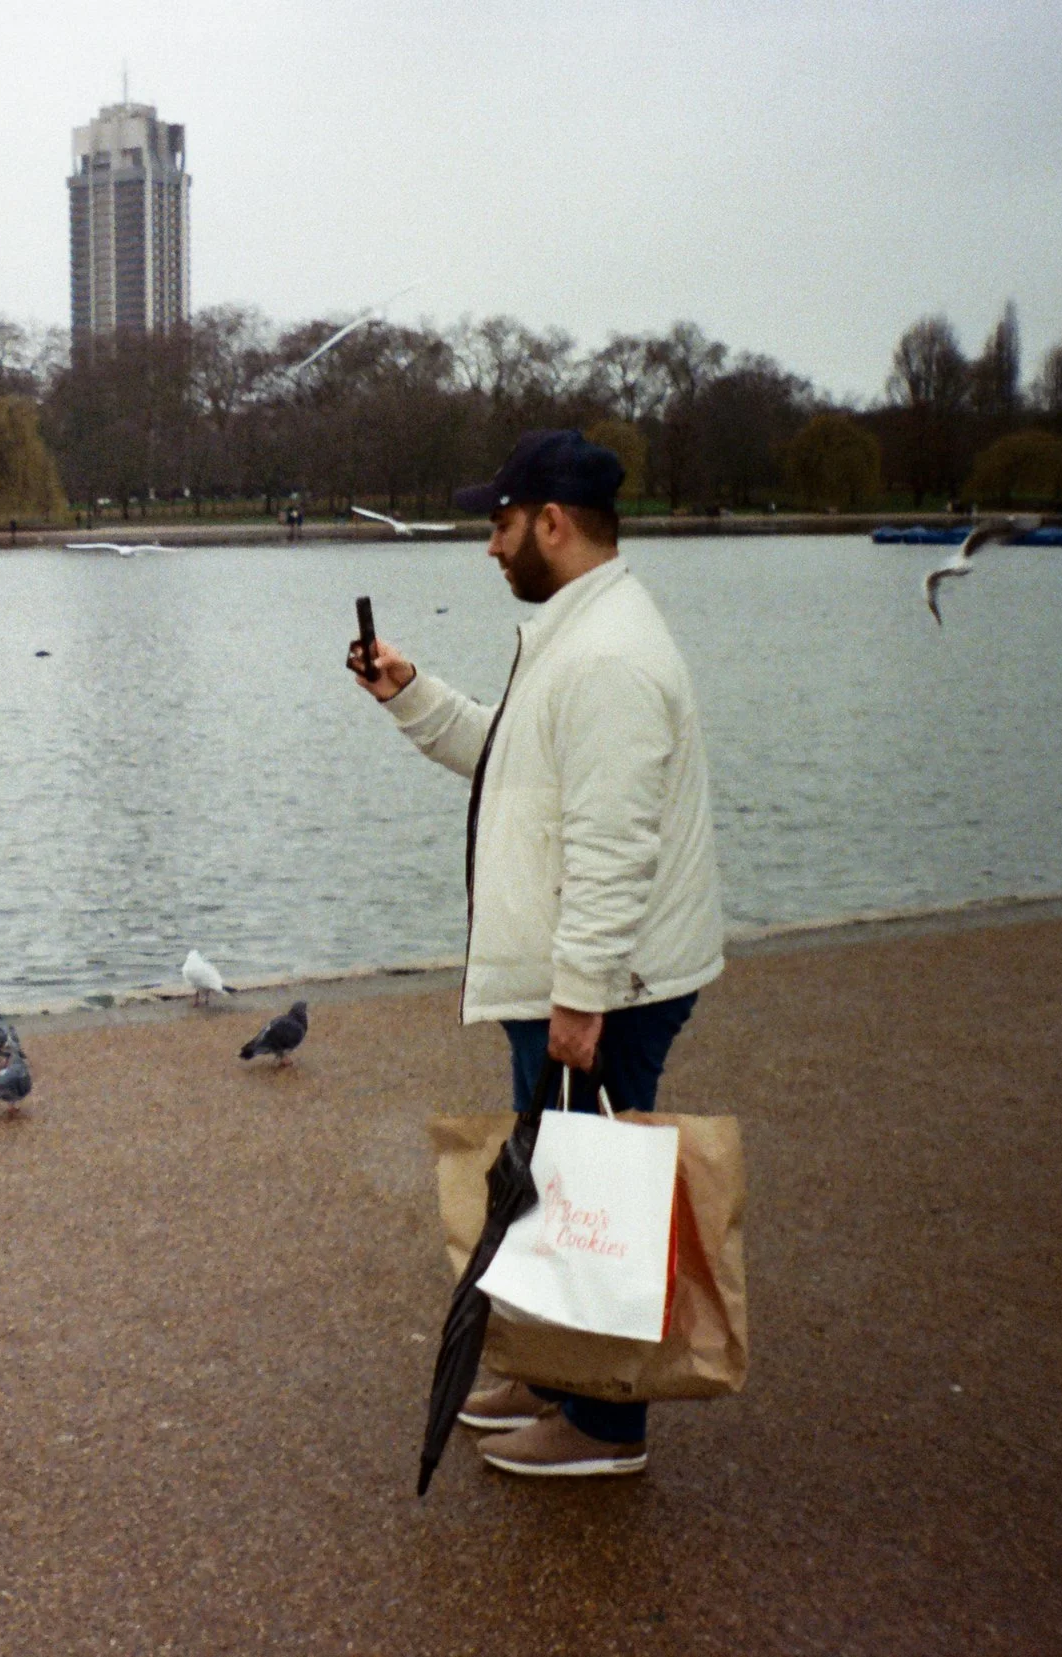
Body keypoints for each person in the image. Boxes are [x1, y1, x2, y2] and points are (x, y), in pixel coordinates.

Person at [350, 428, 724, 1478]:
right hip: (592, 977)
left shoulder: (604, 657)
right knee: (558, 1186)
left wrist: (581, 995)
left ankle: (606, 1425)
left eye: (498, 523)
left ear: (549, 524)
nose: (487, 546)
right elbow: (514, 761)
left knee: (591, 1189)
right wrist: (410, 696)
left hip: (609, 985)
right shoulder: (576, 633)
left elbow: (613, 846)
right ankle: (561, 1374)